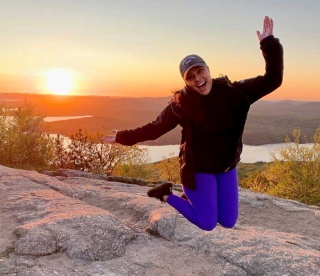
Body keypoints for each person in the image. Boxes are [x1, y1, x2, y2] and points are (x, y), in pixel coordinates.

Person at [103, 16, 283, 231]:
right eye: (190, 76)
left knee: (227, 221)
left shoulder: (234, 93)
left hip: (226, 167)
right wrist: (123, 136)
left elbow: (273, 79)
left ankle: (198, 198)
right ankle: (165, 194)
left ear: (208, 70)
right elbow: (156, 128)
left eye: (200, 71)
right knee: (207, 222)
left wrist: (268, 43)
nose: (198, 79)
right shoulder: (182, 104)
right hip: (199, 169)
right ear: (185, 81)